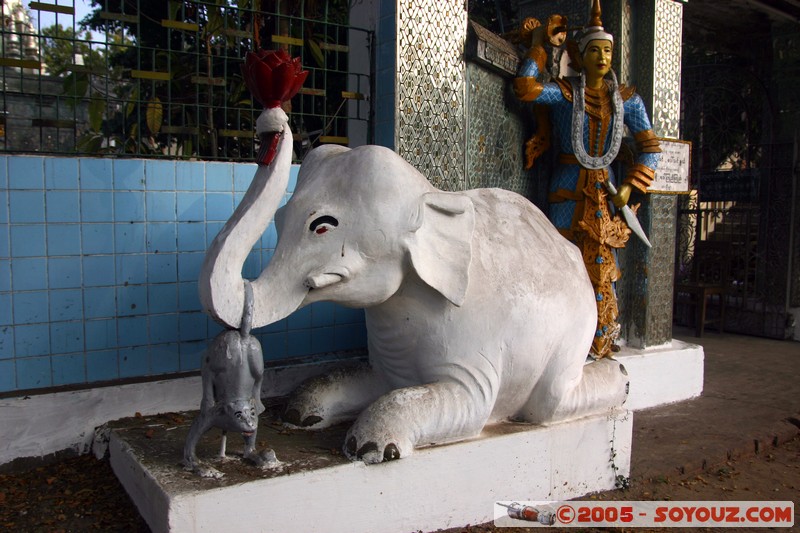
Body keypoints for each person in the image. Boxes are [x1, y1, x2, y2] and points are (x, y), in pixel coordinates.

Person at [513, 0, 661, 359]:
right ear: (580, 55)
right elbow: (526, 88)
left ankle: (601, 335)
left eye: (607, 51)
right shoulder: (566, 93)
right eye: (594, 50)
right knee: (560, 259)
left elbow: (651, 148)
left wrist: (630, 185)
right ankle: (559, 334)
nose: (602, 57)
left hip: (607, 193)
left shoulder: (627, 100)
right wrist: (538, 47)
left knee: (602, 264)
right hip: (567, 187)